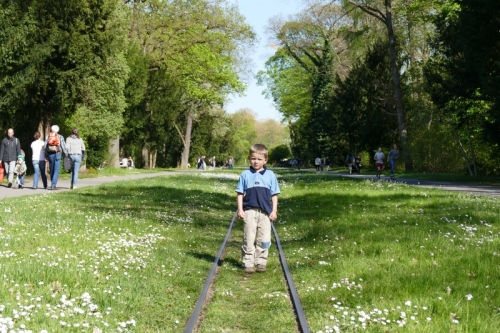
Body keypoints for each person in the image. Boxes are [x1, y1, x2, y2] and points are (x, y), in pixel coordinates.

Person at [236, 144, 280, 274]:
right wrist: (240, 209)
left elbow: (274, 195)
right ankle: (248, 262)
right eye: (253, 158)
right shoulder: (245, 175)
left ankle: (261, 261)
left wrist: (274, 210)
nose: (256, 161)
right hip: (249, 211)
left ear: (265, 160)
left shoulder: (270, 175)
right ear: (249, 158)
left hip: (265, 213)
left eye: (259, 159)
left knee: (264, 238)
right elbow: (239, 193)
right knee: (249, 238)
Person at [45, 125, 67, 190]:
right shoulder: (60, 136)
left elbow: (45, 146)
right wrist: (66, 153)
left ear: (51, 129)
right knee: (56, 170)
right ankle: (53, 185)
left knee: (51, 169)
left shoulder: (48, 136)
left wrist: (46, 155)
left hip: (50, 154)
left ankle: (52, 183)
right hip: (58, 153)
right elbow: (64, 146)